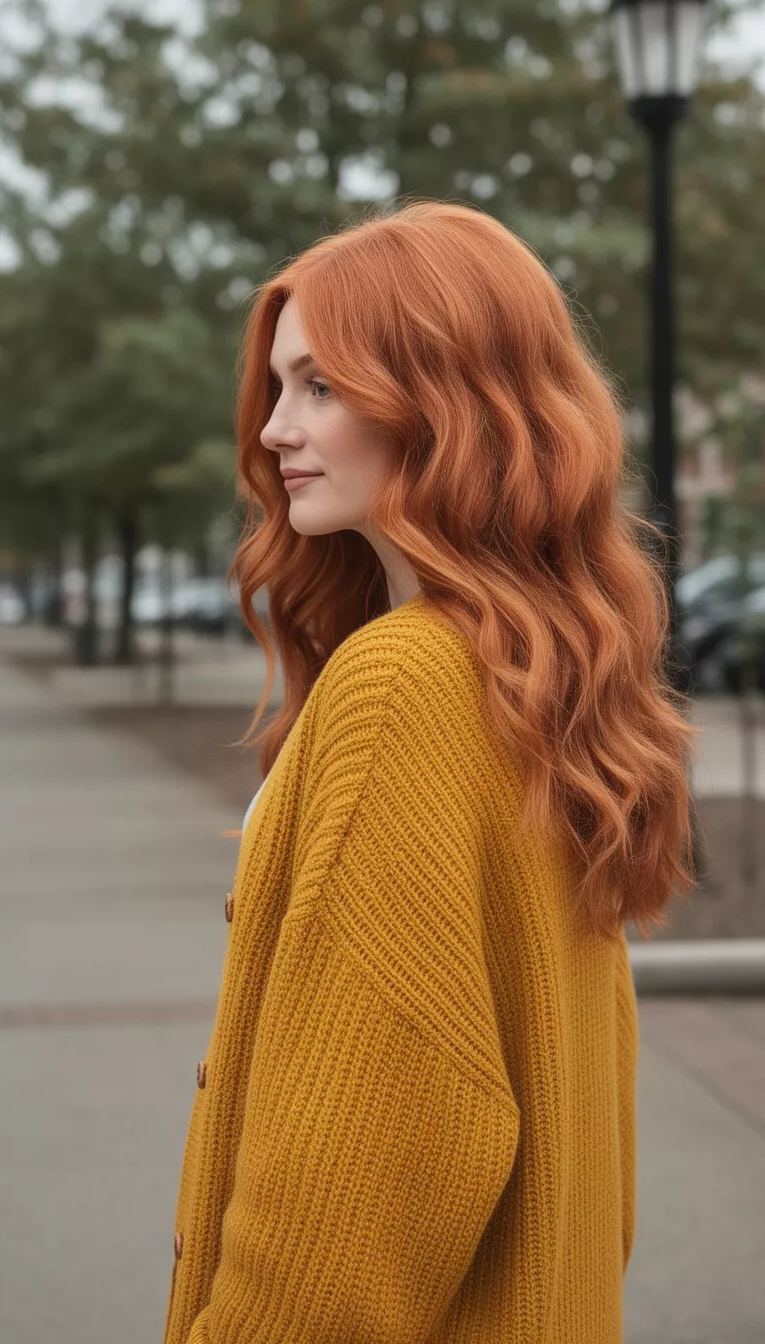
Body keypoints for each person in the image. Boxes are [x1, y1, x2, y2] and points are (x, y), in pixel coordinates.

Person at [162, 200, 702, 1344]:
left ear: (446, 402)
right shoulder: (540, 679)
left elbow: (340, 1218)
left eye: (321, 386)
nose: (274, 430)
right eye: (279, 386)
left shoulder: (401, 684)